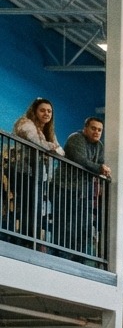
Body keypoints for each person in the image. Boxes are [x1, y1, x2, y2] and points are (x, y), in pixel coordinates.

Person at [11, 98, 64, 243]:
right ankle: (22, 240)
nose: (46, 113)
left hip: (39, 173)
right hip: (23, 170)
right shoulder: (25, 123)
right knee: (27, 206)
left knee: (36, 208)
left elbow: (61, 152)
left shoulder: (48, 131)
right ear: (34, 111)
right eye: (42, 110)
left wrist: (51, 146)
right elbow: (37, 142)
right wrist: (50, 146)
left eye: (49, 111)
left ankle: (31, 240)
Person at [61, 116, 110, 260]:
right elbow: (81, 160)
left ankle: (79, 259)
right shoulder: (76, 138)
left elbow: (100, 163)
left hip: (83, 192)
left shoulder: (99, 146)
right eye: (93, 128)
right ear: (85, 128)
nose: (97, 132)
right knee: (65, 224)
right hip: (64, 188)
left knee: (85, 227)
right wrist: (100, 169)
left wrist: (103, 170)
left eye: (100, 130)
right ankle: (62, 256)